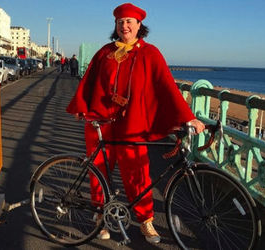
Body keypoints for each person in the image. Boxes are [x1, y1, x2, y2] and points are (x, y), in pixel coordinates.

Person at [66, 3, 205, 244]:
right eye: (120, 22)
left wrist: (187, 117)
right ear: (116, 26)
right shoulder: (104, 53)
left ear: (140, 25)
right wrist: (81, 108)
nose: (125, 26)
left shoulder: (150, 53)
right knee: (98, 172)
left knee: (138, 174)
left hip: (133, 125)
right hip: (101, 122)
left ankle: (145, 222)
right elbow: (88, 81)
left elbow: (166, 86)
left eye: (129, 21)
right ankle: (100, 218)